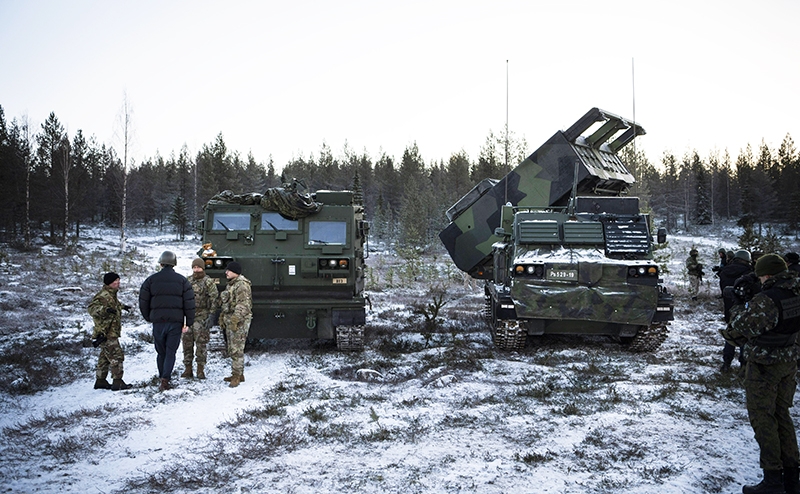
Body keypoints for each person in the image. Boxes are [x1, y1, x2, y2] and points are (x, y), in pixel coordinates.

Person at [721, 254, 800, 494]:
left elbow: (743, 327)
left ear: (768, 274)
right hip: (788, 361)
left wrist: (735, 305)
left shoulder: (768, 299)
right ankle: (792, 479)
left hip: (765, 364)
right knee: (782, 416)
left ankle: (772, 479)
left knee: (763, 419)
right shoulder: (795, 292)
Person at [139, 251, 196, 391]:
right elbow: (189, 303)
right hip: (175, 323)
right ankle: (165, 379)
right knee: (171, 352)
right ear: (174, 264)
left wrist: (148, 317)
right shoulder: (182, 280)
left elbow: (143, 301)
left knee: (161, 352)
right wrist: (188, 322)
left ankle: (161, 376)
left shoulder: (151, 280)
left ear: (161, 263)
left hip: (158, 322)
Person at [88, 272, 132, 391]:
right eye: (115, 281)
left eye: (118, 280)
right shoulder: (102, 295)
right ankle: (117, 381)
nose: (117, 283)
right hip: (106, 333)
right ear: (108, 283)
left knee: (104, 357)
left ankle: (100, 380)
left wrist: (123, 307)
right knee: (116, 356)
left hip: (111, 332)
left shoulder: (112, 295)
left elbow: (115, 305)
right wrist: (105, 310)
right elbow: (92, 309)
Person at [181, 258, 220, 380]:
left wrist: (212, 315)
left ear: (203, 268)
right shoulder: (187, 281)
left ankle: (200, 369)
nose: (196, 270)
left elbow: (214, 299)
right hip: (188, 318)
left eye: (198, 267)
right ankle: (188, 369)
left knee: (201, 345)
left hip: (202, 317)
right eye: (194, 267)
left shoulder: (208, 282)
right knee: (187, 344)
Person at [718, 250, 754, 372]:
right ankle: (743, 365)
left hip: (729, 308)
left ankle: (726, 363)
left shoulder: (725, 271)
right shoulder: (749, 274)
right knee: (744, 337)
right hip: (744, 308)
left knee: (730, 335)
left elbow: (723, 291)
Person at [218, 261, 252, 388]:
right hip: (231, 319)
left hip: (239, 321)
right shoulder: (232, 285)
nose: (226, 272)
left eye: (228, 270)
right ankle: (238, 374)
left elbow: (243, 305)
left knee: (237, 349)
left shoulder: (241, 285)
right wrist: (223, 316)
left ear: (235, 272)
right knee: (232, 348)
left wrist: (234, 320)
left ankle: (237, 376)